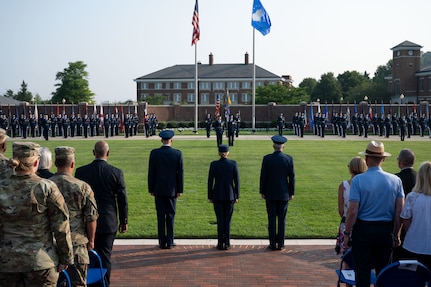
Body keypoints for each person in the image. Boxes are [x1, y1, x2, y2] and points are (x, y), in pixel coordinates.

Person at [0, 142, 74, 286]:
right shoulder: (46, 187)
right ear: (36, 162)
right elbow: (61, 226)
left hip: (6, 262)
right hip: (40, 262)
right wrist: (66, 258)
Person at [343, 141, 404, 287]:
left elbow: (353, 211)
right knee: (383, 273)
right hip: (385, 230)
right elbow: (399, 211)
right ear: (383, 159)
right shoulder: (395, 180)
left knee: (362, 272)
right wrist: (396, 233)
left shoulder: (358, 180)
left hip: (364, 230)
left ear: (367, 159)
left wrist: (346, 232)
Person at [75, 141, 128, 286]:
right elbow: (122, 199)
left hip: (86, 221)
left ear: (94, 152)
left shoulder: (81, 172)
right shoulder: (115, 172)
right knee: (105, 258)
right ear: (108, 153)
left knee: (87, 257)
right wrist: (124, 220)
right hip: (107, 220)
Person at [50, 146, 99, 287]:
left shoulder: (45, 185)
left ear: (55, 163)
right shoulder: (83, 187)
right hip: (77, 245)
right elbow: (91, 217)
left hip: (51, 246)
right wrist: (91, 240)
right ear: (72, 164)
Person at [148, 130, 184, 249]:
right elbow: (180, 174)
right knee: (170, 215)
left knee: (160, 215)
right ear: (171, 140)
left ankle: (161, 241)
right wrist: (180, 189)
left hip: (158, 188)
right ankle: (170, 240)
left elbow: (151, 173)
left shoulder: (154, 153)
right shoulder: (177, 154)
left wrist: (151, 188)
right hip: (172, 190)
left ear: (161, 140)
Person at [260, 135, 295, 251]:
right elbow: (292, 178)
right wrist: (291, 192)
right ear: (283, 146)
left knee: (271, 219)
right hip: (284, 192)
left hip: (270, 192)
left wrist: (262, 191)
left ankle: (272, 243)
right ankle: (280, 243)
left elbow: (263, 177)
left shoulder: (267, 158)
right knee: (282, 219)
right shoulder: (288, 159)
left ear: (273, 146)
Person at [399, 161, 431, 271]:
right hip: (417, 246)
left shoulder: (413, 197)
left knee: (413, 280)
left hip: (413, 246)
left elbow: (406, 220)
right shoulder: (413, 197)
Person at [208, 144, 240, 250]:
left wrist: (210, 195)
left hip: (217, 194)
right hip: (230, 195)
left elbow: (210, 181)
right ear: (228, 153)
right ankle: (227, 242)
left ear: (219, 153)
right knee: (227, 220)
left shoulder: (214, 164)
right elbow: (237, 182)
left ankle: (220, 243)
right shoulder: (233, 164)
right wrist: (237, 195)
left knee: (220, 220)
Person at [335, 156, 366, 256]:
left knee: (347, 258)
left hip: (347, 223)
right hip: (363, 224)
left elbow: (341, 210)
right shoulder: (367, 185)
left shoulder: (343, 185)